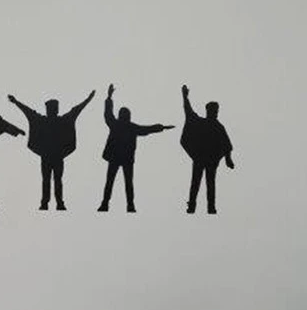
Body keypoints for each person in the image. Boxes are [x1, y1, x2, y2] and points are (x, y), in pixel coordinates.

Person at [7, 90, 95, 210]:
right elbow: (28, 112)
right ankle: (49, 203)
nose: (52, 110)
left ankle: (55, 203)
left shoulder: (54, 120)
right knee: (50, 180)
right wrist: (16, 102)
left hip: (53, 156)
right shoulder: (51, 120)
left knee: (53, 180)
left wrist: (88, 99)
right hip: (50, 156)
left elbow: (76, 110)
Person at [98, 84, 173, 213]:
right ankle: (127, 205)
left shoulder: (117, 124)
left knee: (113, 182)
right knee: (124, 183)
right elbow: (146, 129)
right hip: (123, 159)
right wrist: (161, 127)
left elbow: (108, 114)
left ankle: (110, 204)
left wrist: (109, 97)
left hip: (118, 158)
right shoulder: (130, 127)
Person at [180, 84, 235, 215]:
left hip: (210, 160)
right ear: (208, 111)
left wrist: (228, 159)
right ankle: (192, 206)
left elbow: (227, 144)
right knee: (196, 183)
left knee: (210, 184)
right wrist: (185, 97)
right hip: (200, 158)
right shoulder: (202, 123)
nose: (215, 112)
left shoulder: (218, 127)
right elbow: (188, 111)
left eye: (216, 110)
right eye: (214, 110)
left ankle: (211, 208)